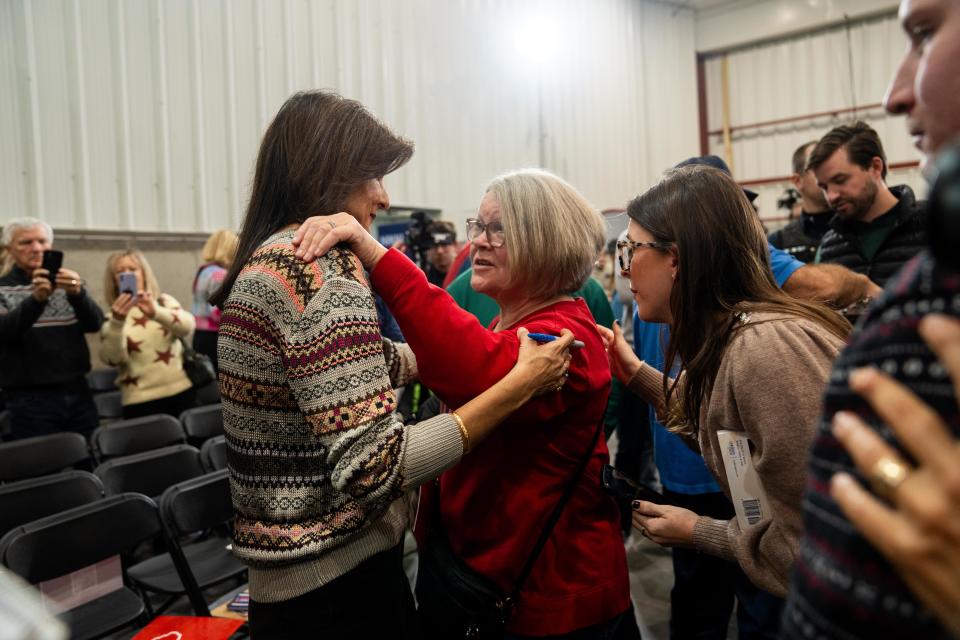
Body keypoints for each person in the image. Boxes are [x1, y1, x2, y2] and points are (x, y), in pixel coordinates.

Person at [210, 91, 573, 639]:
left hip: (290, 588)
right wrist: (516, 386)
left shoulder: (274, 260)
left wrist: (463, 359)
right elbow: (375, 468)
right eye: (372, 176)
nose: (384, 196)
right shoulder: (321, 272)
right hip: (339, 587)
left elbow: (355, 366)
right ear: (328, 172)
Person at [294, 168, 633, 639]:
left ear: (547, 243)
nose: (479, 242)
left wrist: (376, 256)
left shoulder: (560, 342)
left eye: (499, 230)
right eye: (479, 225)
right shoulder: (517, 325)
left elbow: (471, 364)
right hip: (487, 576)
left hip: (544, 599)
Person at [781, 0, 960, 636]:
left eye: (924, 35)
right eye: (822, 187)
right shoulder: (832, 242)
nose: (897, 92)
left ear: (878, 168)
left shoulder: (930, 235)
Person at [599, 165, 850, 606]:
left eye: (630, 249)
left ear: (675, 258)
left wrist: (701, 532)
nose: (624, 269)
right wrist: (634, 372)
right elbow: (716, 423)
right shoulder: (729, 338)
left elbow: (814, 547)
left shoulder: (765, 350)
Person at [0, 218, 103, 439]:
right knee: (43, 466)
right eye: (25, 242)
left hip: (79, 391)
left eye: (42, 241)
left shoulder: (69, 283)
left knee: (89, 459)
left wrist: (78, 294)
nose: (36, 248)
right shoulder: (2, 288)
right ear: (10, 249)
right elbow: (5, 331)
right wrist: (36, 300)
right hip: (29, 399)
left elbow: (95, 324)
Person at [809, 121, 927, 287]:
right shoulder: (829, 247)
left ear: (875, 168)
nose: (831, 196)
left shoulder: (936, 224)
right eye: (824, 187)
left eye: (840, 180)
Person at [99, 249, 197, 419]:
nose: (127, 274)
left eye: (133, 269)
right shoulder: (111, 318)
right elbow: (112, 359)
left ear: (144, 273)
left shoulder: (163, 302)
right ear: (114, 281)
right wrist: (117, 322)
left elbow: (187, 327)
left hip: (182, 392)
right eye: (120, 272)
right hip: (140, 401)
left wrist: (156, 313)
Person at [768, 141, 834, 263]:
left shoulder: (855, 230)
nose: (828, 173)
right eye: (817, 167)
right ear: (798, 180)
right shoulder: (778, 244)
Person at [191, 229, 237, 371]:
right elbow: (218, 310)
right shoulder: (220, 275)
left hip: (200, 333)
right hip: (214, 336)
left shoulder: (204, 271)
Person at [423, 219, 459, 287]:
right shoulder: (424, 278)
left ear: (455, 245)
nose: (439, 251)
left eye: (444, 245)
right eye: (434, 246)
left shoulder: (466, 273)